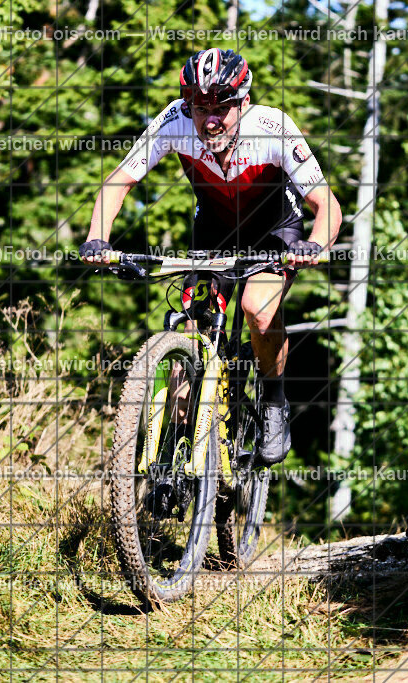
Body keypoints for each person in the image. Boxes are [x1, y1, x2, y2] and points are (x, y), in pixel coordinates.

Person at [80, 48, 341, 466]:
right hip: (216, 231)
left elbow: (326, 205)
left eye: (222, 106)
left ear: (244, 102)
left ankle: (274, 401)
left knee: (257, 309)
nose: (210, 119)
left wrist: (314, 246)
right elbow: (118, 183)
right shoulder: (175, 121)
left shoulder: (272, 127)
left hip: (276, 229)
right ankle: (182, 456)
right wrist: (97, 238)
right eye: (201, 108)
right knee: (192, 324)